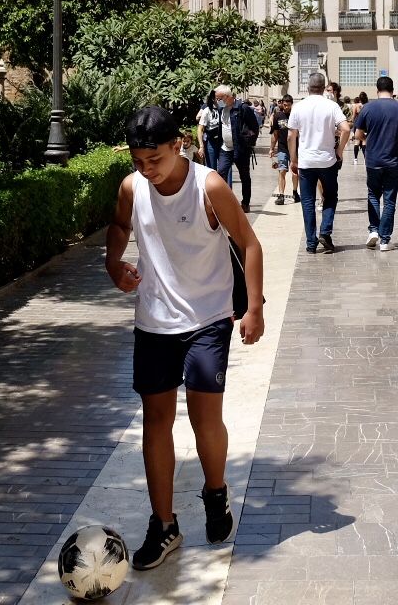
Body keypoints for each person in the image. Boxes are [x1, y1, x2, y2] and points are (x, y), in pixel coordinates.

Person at [106, 106, 265, 570]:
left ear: (179, 146)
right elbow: (119, 227)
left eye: (153, 159)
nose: (146, 169)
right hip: (153, 320)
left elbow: (248, 243)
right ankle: (164, 524)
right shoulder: (132, 188)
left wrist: (254, 307)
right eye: (138, 160)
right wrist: (114, 263)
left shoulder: (208, 186)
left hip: (208, 317)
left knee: (202, 413)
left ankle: (215, 492)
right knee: (155, 422)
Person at [353, 76, 398, 251]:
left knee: (373, 195)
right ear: (392, 89)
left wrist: (370, 139)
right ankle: (384, 240)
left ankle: (373, 230)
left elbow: (358, 135)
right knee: (389, 200)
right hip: (392, 161)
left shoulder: (367, 108)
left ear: (377, 90)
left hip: (373, 160)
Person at [288, 72, 348, 254]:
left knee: (307, 202)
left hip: (306, 161)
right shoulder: (331, 106)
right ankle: (325, 231)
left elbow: (291, 135)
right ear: (324, 88)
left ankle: (311, 243)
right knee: (330, 196)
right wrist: (339, 150)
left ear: (308, 87)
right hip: (327, 161)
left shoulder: (299, 107)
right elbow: (345, 128)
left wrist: (293, 159)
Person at [268, 95, 294, 205]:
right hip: (282, 148)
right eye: (284, 105)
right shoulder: (278, 116)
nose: (286, 107)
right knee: (282, 171)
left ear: (292, 104)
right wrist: (271, 149)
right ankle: (281, 195)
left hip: (294, 149)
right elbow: (275, 134)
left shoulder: (296, 115)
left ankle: (295, 192)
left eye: (288, 105)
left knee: (295, 173)